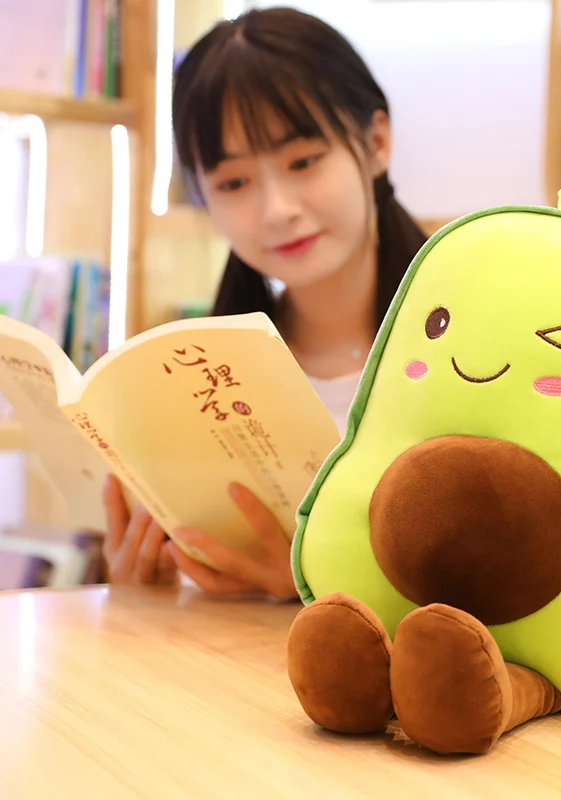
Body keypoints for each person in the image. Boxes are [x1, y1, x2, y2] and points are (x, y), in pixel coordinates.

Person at [101, 7, 427, 597]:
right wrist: (137, 585)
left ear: (376, 143)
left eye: (303, 161)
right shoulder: (195, 383)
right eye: (233, 183)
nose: (276, 210)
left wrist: (315, 585)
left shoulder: (471, 357)